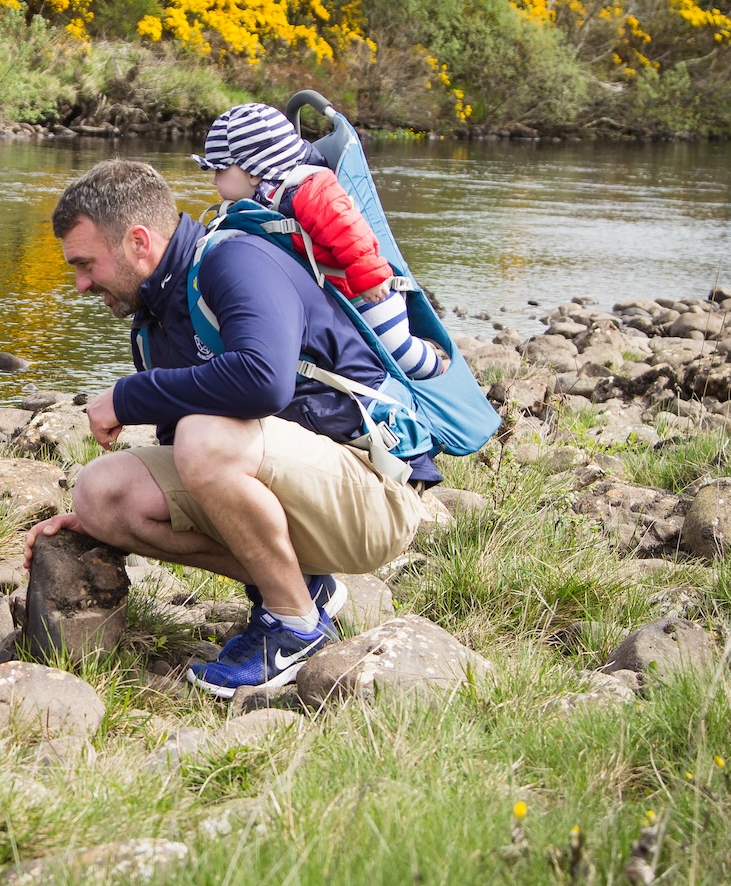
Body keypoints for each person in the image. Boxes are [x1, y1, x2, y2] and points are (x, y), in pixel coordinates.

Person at [27, 159, 434, 698]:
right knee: (101, 493)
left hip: (371, 492)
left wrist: (127, 396)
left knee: (205, 440)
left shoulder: (235, 260)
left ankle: (292, 625)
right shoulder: (155, 318)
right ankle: (303, 588)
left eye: (85, 264)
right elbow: (192, 472)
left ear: (138, 241)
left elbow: (263, 383)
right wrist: (96, 525)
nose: (79, 285)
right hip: (301, 489)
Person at [193, 102, 446, 379]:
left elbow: (350, 233)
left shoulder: (310, 191)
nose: (214, 181)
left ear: (254, 172)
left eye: (219, 171)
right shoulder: (260, 204)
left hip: (366, 293)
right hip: (334, 298)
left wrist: (370, 277)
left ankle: (440, 373)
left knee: (400, 353)